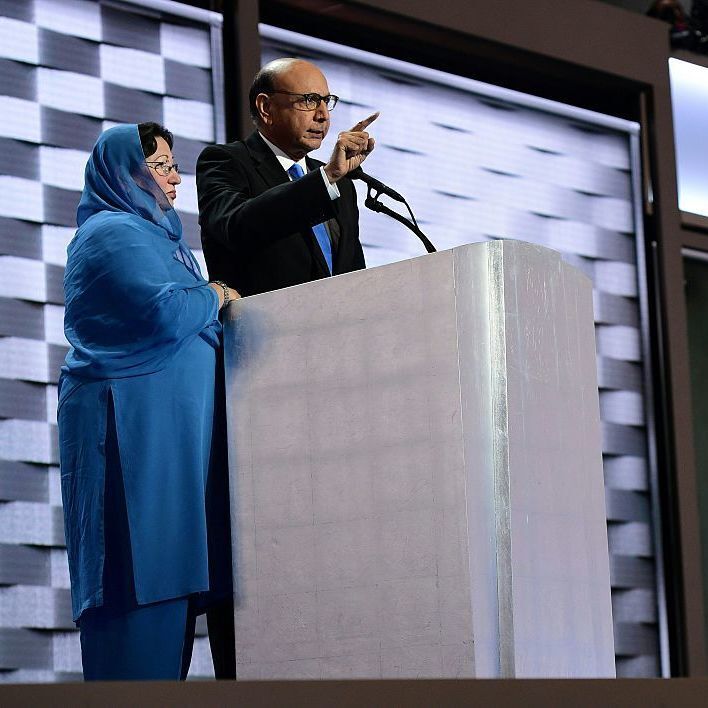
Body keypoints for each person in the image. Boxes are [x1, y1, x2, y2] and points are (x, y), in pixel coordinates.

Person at [58, 122, 240, 680]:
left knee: (167, 611)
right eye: (158, 166)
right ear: (123, 171)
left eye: (170, 164)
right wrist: (211, 294)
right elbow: (163, 313)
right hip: (130, 437)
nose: (172, 177)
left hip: (171, 446)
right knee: (134, 605)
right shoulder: (109, 233)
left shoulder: (163, 239)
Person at [196, 57, 378, 296]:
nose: (323, 115)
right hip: (264, 328)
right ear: (266, 107)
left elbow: (353, 272)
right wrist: (327, 177)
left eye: (326, 101)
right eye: (309, 100)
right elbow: (236, 228)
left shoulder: (339, 184)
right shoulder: (225, 161)